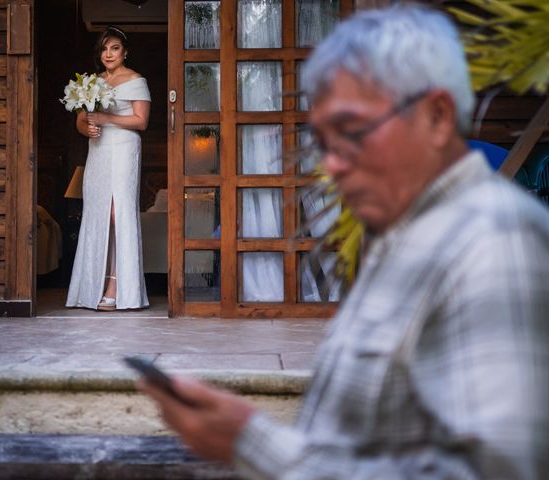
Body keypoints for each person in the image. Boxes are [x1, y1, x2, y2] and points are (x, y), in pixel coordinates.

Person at [139, 5, 549, 479]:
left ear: (437, 117)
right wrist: (246, 436)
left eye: (352, 132)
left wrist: (252, 442)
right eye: (323, 142)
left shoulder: (495, 248)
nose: (330, 166)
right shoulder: (406, 238)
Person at [66, 26, 150, 311]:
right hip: (99, 152)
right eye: (104, 49)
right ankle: (91, 286)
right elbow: (80, 120)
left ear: (124, 51)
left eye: (114, 48)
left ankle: (117, 285)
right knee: (97, 212)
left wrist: (105, 118)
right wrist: (87, 127)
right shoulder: (91, 82)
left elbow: (141, 121)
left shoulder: (137, 80)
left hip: (125, 149)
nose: (109, 54)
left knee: (118, 214)